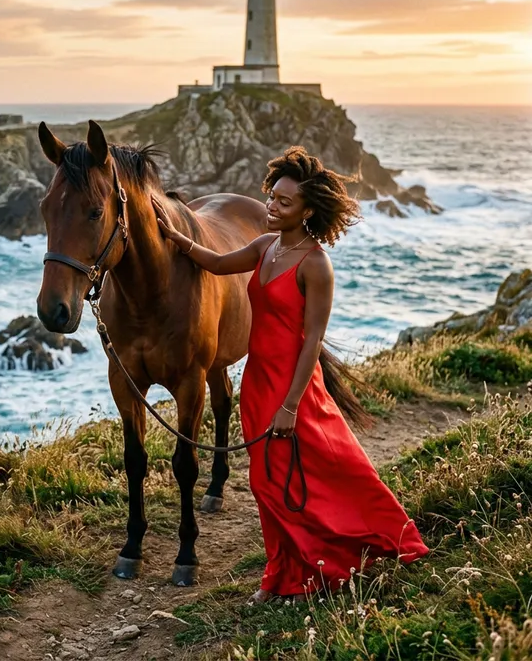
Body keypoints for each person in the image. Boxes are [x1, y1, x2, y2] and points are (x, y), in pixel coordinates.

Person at [151, 146, 429, 602]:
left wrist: (291, 406)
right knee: (265, 484)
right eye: (272, 197)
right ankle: (286, 572)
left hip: (293, 388)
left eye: (284, 202)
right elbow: (219, 264)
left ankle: (337, 556)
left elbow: (313, 341)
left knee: (319, 475)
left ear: (307, 211)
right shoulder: (266, 245)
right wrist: (176, 238)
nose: (271, 206)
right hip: (258, 380)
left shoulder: (316, 265)